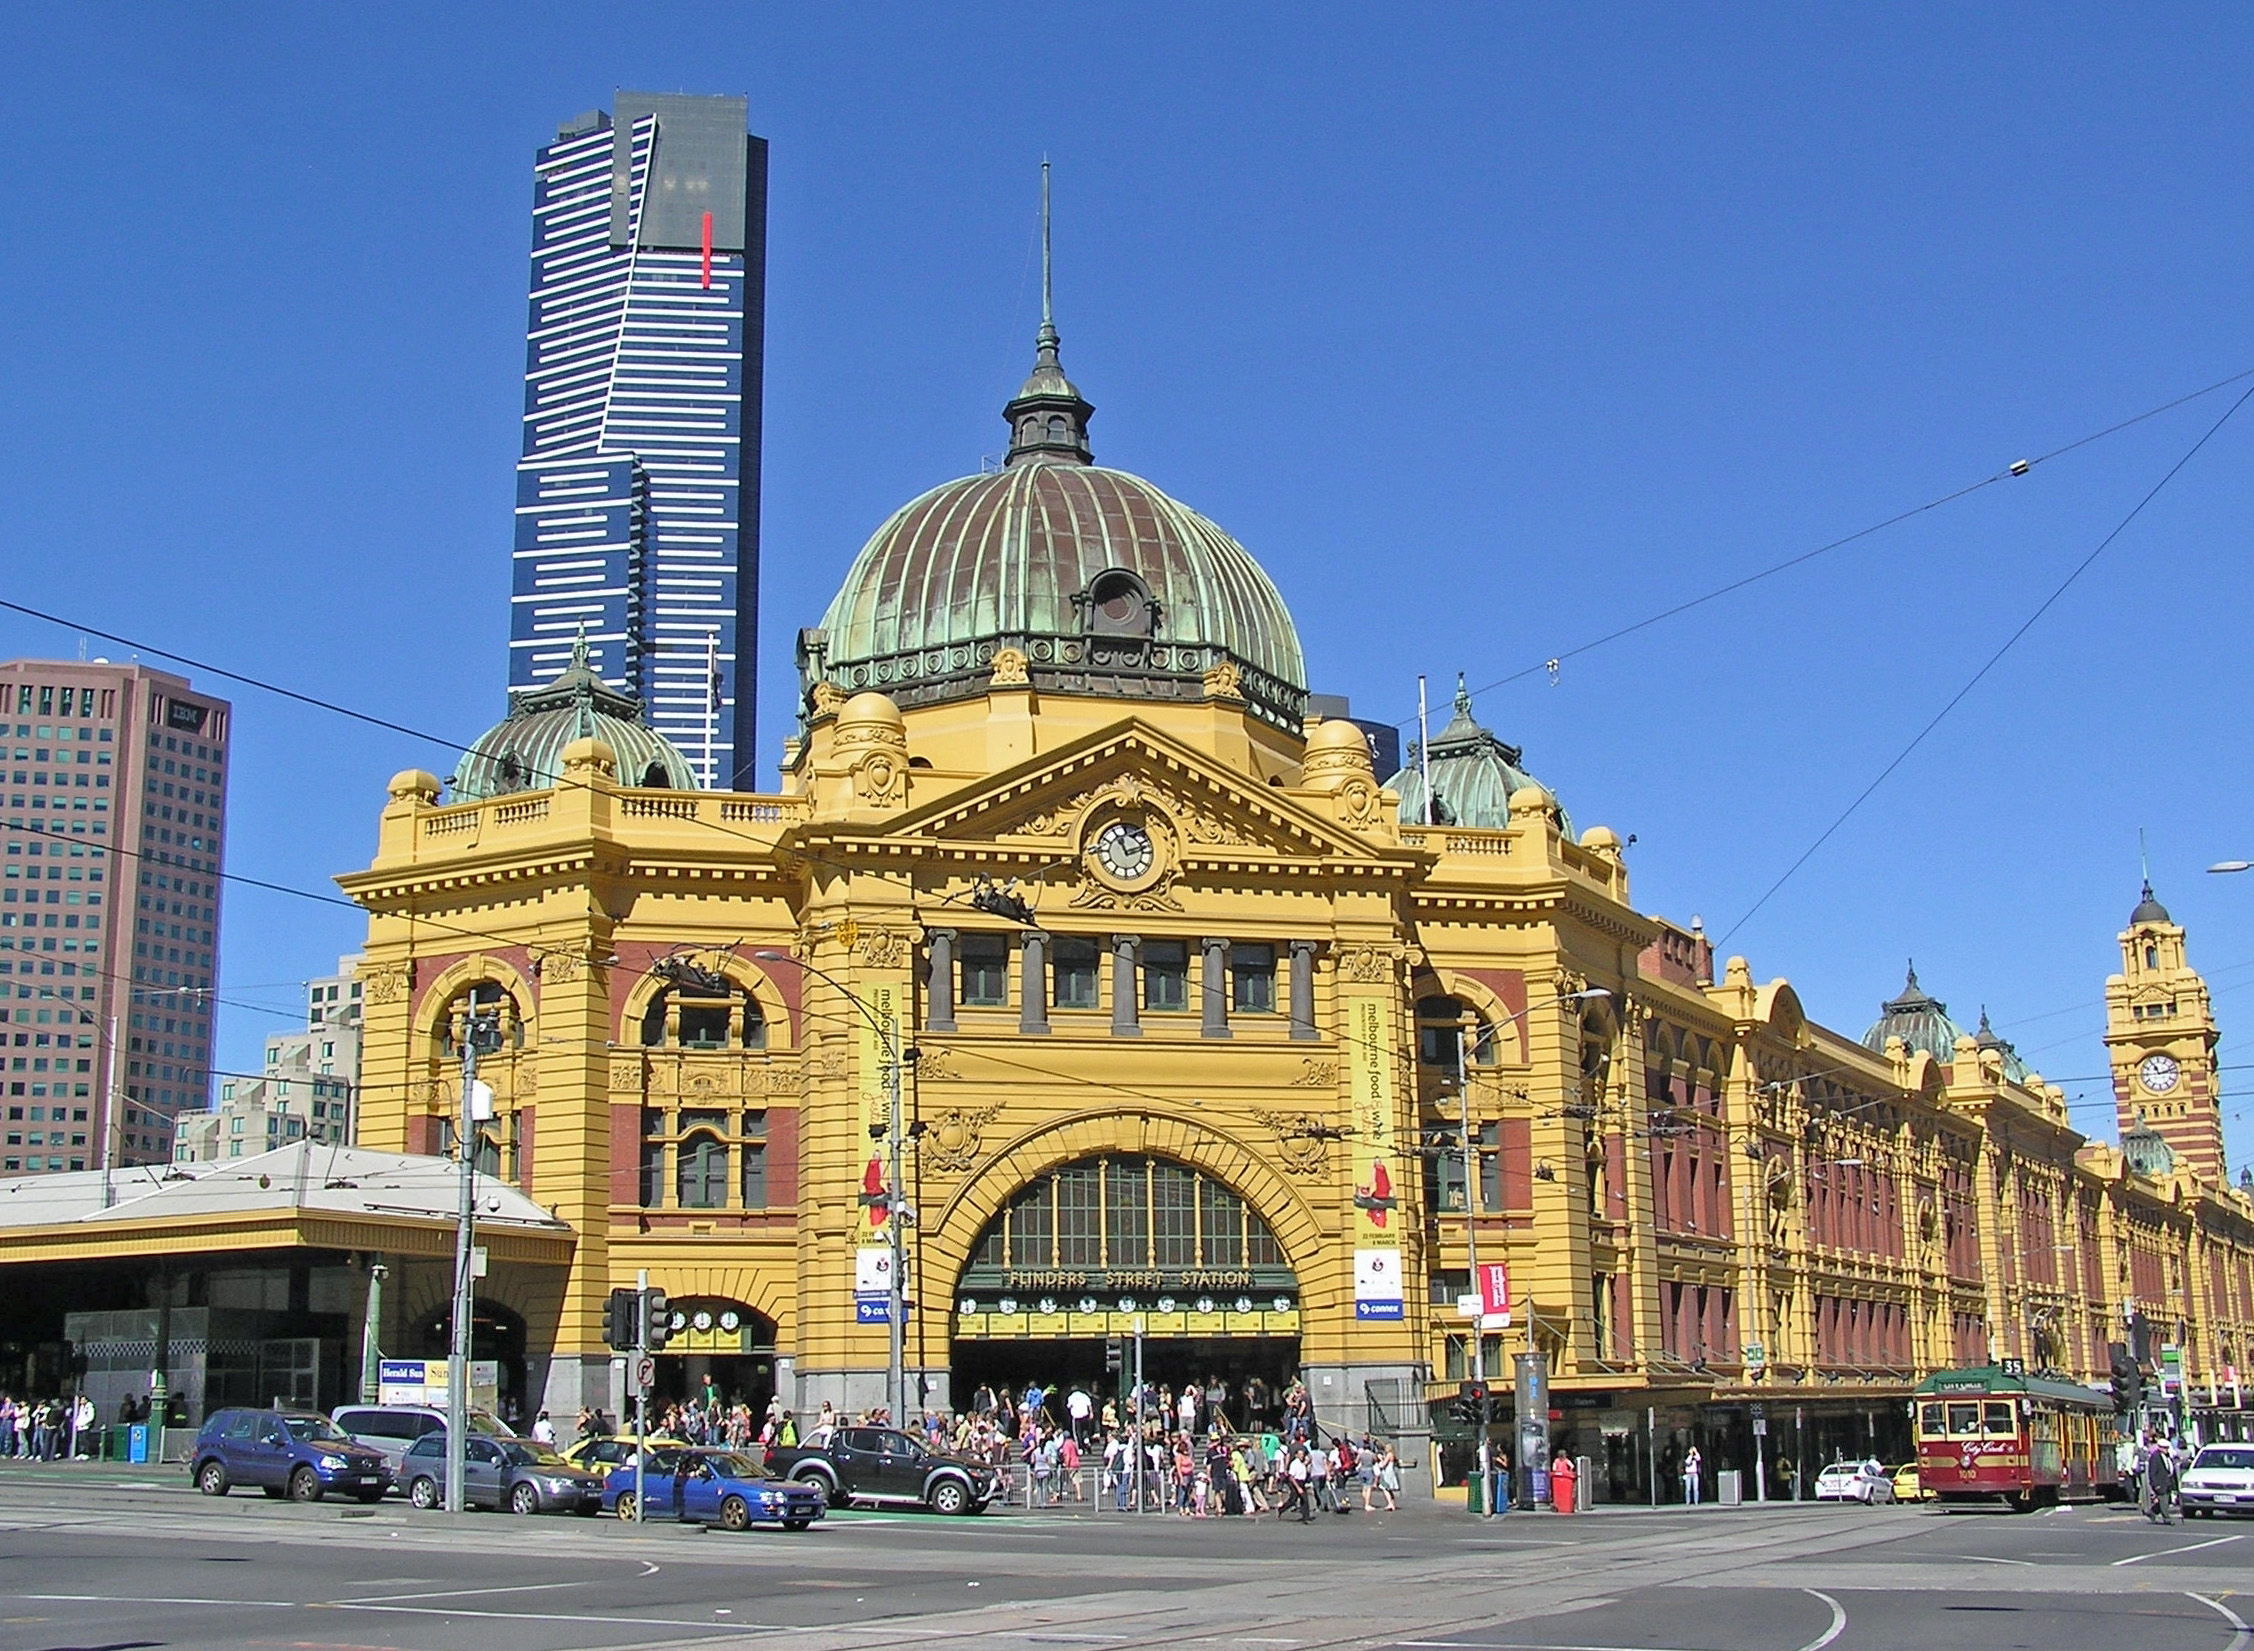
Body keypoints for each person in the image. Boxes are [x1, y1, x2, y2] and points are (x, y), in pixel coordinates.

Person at [2142, 1436, 2178, 1524]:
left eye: (2167, 1448)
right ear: (2160, 1447)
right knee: (2164, 1500)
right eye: (2165, 1448)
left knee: (2166, 1500)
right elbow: (2152, 1472)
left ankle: (2151, 1512)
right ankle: (2166, 1518)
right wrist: (2155, 1484)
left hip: (2168, 1481)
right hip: (2160, 1483)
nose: (2166, 1449)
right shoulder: (2155, 1457)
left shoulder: (2167, 1456)